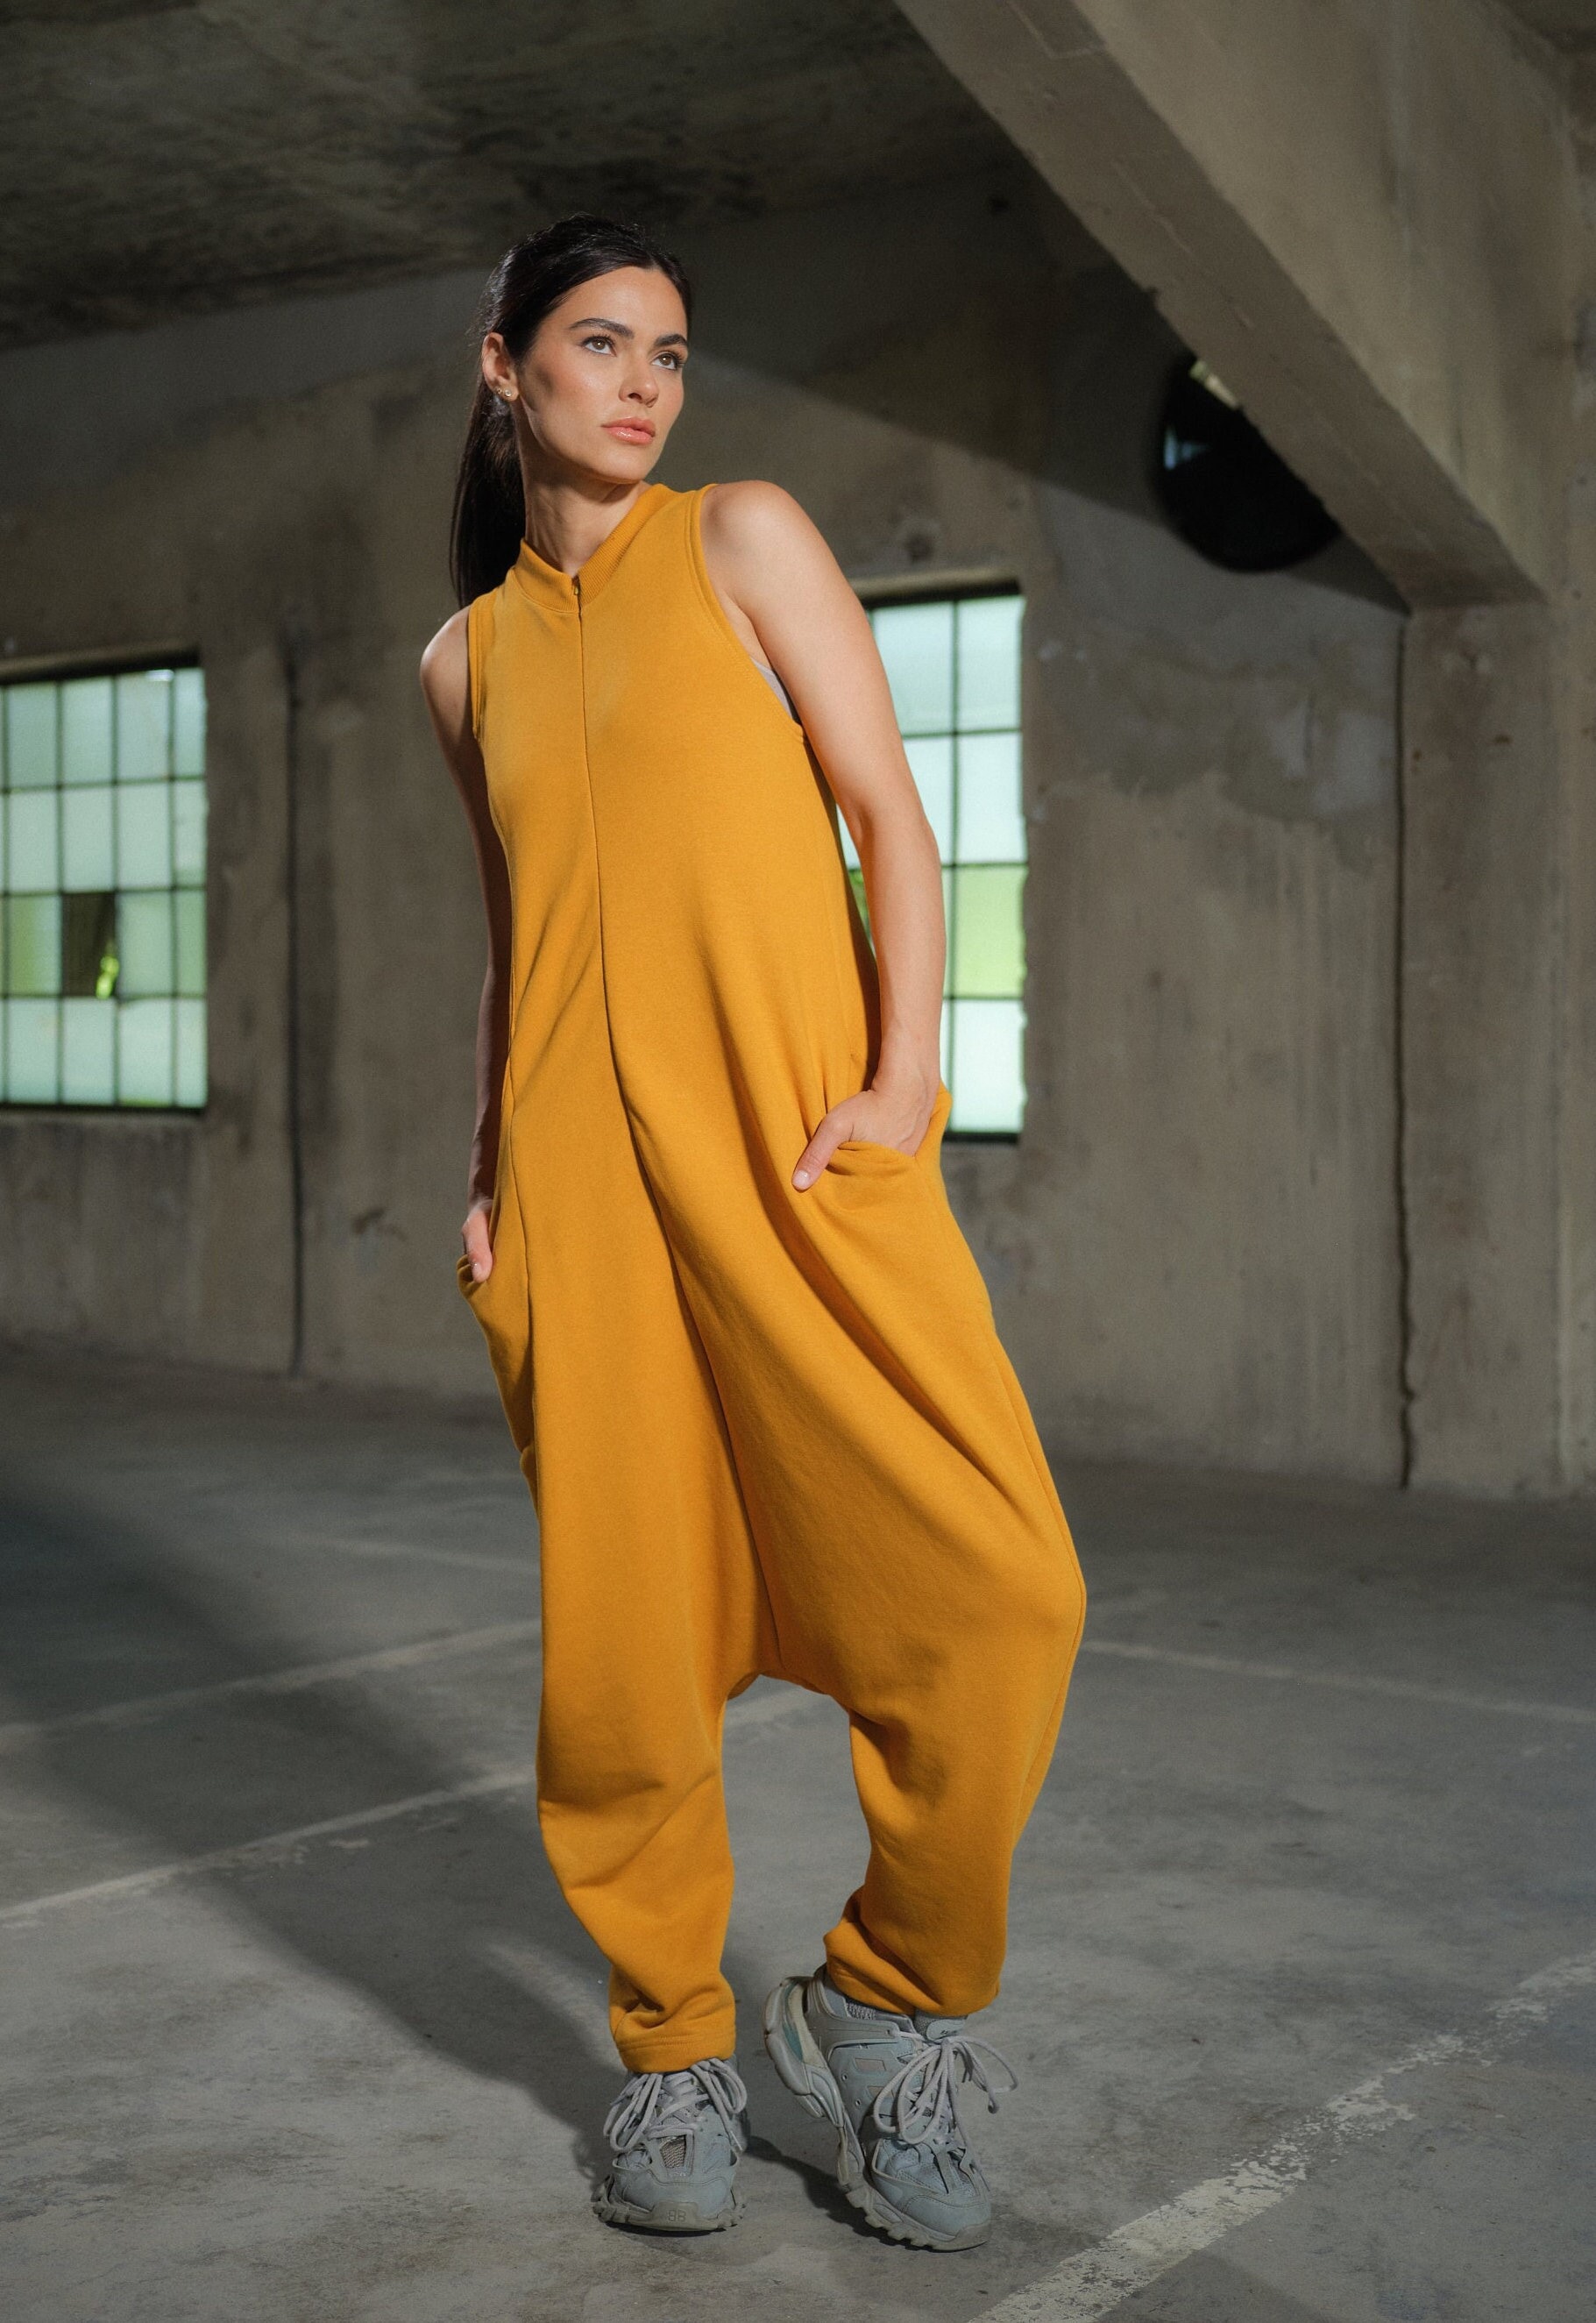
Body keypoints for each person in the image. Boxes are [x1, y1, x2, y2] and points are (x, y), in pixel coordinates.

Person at [419, 213, 1087, 2255]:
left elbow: (888, 814)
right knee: (629, 1665)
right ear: (504, 363)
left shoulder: (742, 539)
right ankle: (670, 2047)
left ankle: (882, 1999)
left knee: (999, 1592)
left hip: (801, 1160)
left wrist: (901, 1087)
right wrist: (486, 1177)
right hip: (582, 1201)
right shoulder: (462, 661)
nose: (642, 383)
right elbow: (517, 936)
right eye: (599, 342)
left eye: (670, 353)